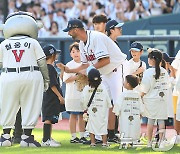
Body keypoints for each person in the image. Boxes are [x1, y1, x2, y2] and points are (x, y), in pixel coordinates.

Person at [57, 19, 128, 143]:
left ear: (76, 29)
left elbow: (106, 60)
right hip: (105, 72)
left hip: (118, 68)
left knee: (119, 103)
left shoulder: (96, 37)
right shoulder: (82, 43)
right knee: (101, 102)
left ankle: (128, 136)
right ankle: (105, 135)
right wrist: (70, 70)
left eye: (69, 31)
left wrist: (89, 70)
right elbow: (85, 65)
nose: (68, 33)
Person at [0, 11, 50, 147]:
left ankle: (5, 137)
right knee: (30, 104)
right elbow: (42, 63)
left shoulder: (4, 44)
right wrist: (46, 79)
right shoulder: (32, 42)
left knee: (7, 105)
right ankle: (26, 137)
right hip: (31, 74)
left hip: (8, 75)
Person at [140, 49, 169, 148]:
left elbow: (145, 88)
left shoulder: (148, 72)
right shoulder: (164, 71)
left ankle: (149, 142)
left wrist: (141, 95)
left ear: (152, 59)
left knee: (150, 121)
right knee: (161, 121)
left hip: (151, 100)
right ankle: (161, 142)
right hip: (162, 100)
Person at [63, 42, 87, 144]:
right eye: (73, 51)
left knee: (82, 116)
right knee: (73, 115)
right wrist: (78, 75)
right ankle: (73, 137)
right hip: (72, 95)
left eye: (78, 51)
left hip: (83, 95)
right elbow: (66, 79)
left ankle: (82, 136)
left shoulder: (85, 64)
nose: (76, 53)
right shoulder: (69, 65)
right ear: (70, 54)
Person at [41, 44, 65, 147]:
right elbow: (52, 85)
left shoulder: (48, 68)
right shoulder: (49, 68)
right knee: (48, 118)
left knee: (50, 118)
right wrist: (60, 96)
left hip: (48, 97)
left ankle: (48, 138)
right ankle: (45, 140)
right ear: (52, 55)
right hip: (50, 97)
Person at [81, 68, 112, 147]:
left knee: (91, 125)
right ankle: (104, 143)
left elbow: (83, 100)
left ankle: (92, 143)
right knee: (103, 125)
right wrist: (109, 106)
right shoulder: (102, 87)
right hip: (102, 109)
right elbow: (107, 98)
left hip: (92, 109)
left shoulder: (87, 88)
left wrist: (84, 108)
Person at [113, 75, 144, 143]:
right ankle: (135, 140)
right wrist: (141, 113)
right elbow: (141, 106)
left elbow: (118, 104)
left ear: (128, 84)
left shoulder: (123, 94)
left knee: (125, 127)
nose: (123, 82)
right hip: (135, 115)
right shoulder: (137, 94)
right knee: (134, 127)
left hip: (125, 114)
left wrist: (117, 112)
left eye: (124, 81)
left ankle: (125, 141)